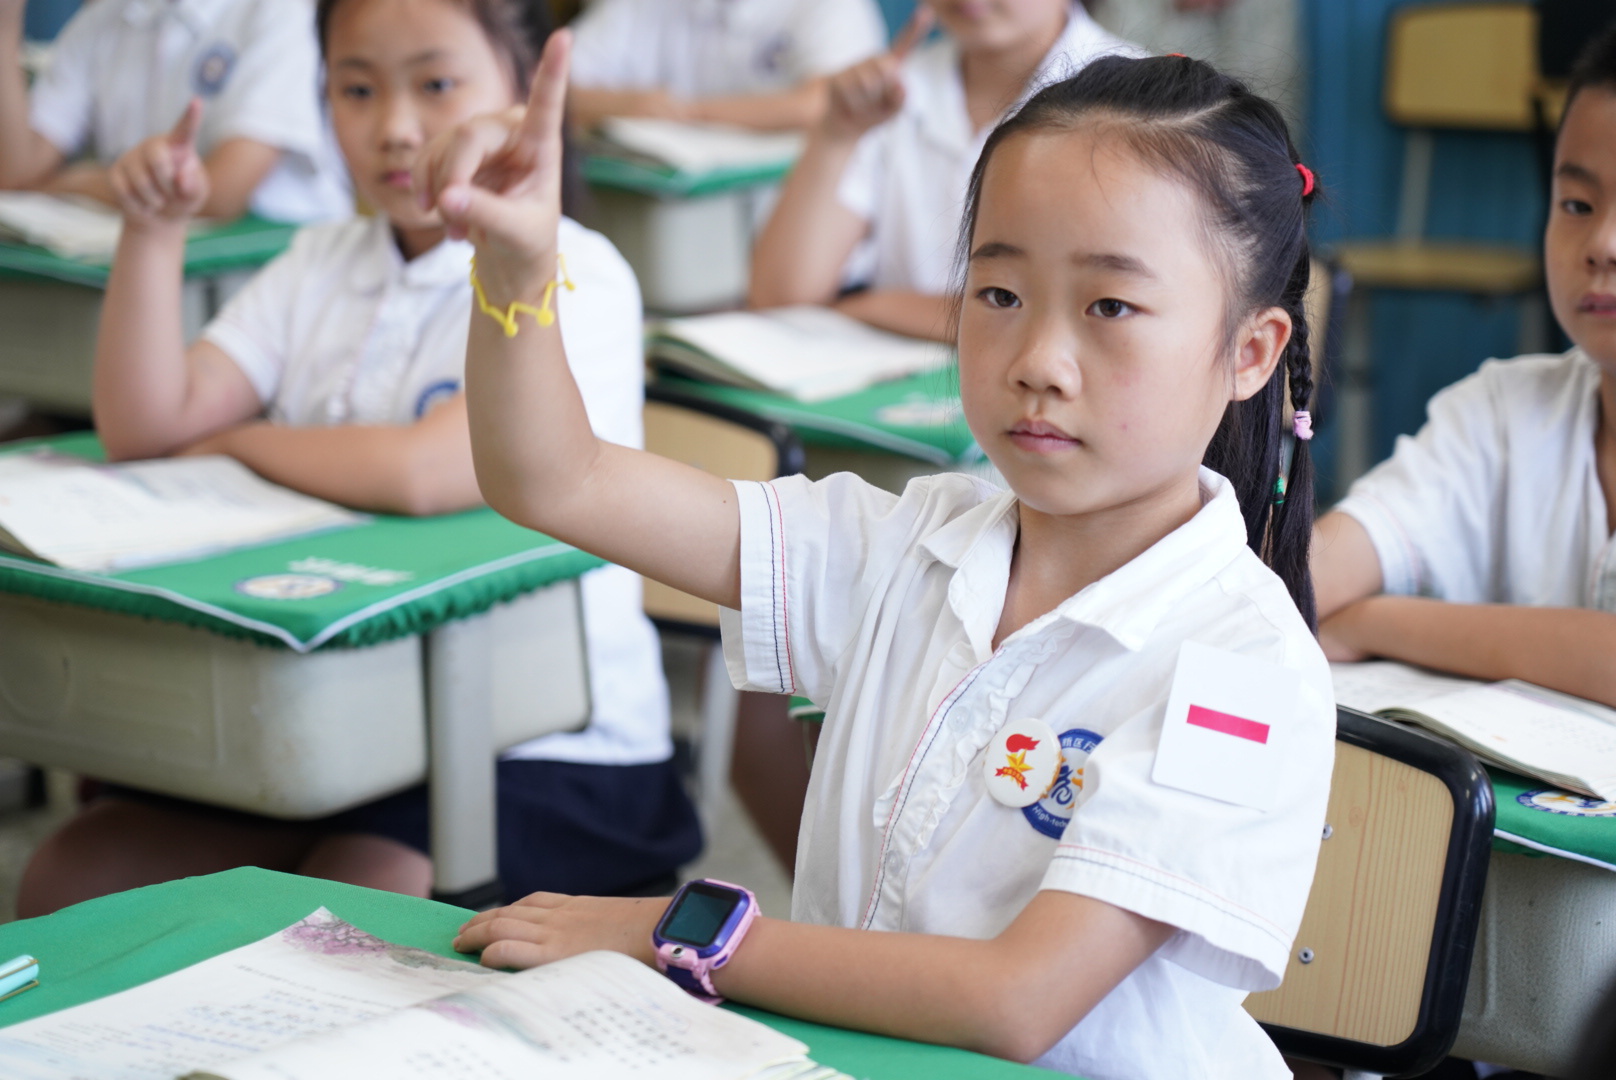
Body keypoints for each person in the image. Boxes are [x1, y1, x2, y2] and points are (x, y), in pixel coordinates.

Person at [421, 31, 1335, 1078]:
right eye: (998, 295)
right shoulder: (904, 545)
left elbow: (1018, 1000)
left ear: (1248, 352)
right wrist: (517, 270)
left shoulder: (1240, 670)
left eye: (1109, 307)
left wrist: (672, 931)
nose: (1037, 361)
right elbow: (554, 479)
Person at [15, 0, 699, 917]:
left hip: (538, 747)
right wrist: (154, 232)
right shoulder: (316, 264)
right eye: (357, 89)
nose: (397, 128)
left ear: (525, 91)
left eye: (437, 84)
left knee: (344, 911)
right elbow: (149, 425)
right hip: (327, 724)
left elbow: (429, 471)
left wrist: (238, 443)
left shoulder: (580, 270)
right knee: (71, 879)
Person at [1311, 25, 1616, 712]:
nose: (1602, 243)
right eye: (1577, 205)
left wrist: (1376, 621)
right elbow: (1325, 564)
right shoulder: (1503, 410)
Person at [748, 0, 1140, 342]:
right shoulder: (893, 90)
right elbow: (781, 299)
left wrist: (874, 307)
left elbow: (1077, 314)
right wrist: (836, 134)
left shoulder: (1135, 101)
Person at [0, 0, 348, 223]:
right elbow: (15, 174)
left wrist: (74, 183)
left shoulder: (278, 13)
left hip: (265, 273)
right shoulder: (103, 20)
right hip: (150, 251)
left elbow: (219, 192)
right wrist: (4, 27)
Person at [567, 0, 888, 133]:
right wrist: (626, 105)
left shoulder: (833, 7)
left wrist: (685, 112)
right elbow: (547, 82)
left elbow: (824, 103)